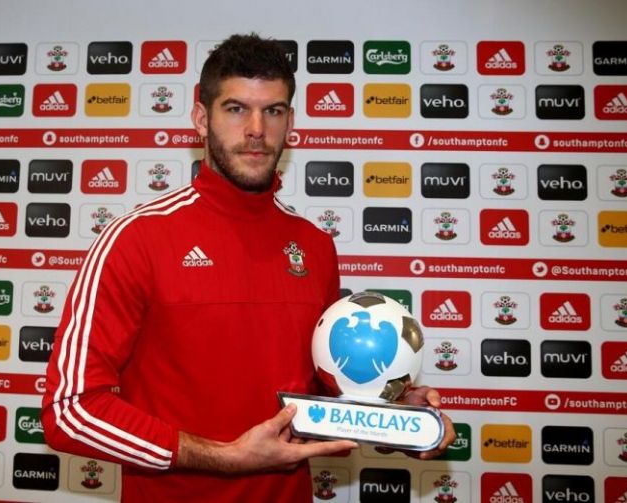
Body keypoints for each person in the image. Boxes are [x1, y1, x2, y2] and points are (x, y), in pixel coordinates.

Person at [41, 33, 455, 502]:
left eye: (273, 111)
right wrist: (222, 455)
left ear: (290, 121)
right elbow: (70, 412)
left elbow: (312, 408)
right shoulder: (135, 240)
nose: (256, 129)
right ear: (202, 119)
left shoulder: (315, 247)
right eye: (237, 108)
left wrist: (393, 415)